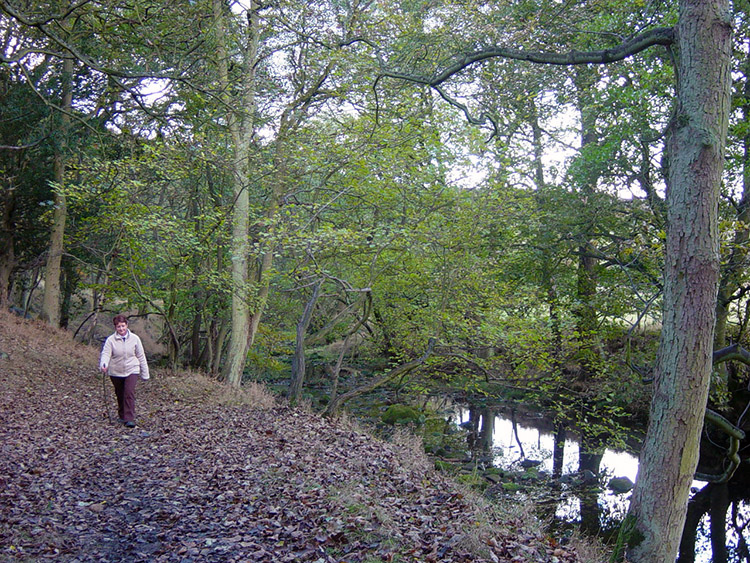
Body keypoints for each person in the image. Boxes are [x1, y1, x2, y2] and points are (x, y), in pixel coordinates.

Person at [99, 314, 150, 428]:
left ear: (127, 325)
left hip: (132, 368)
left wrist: (145, 373)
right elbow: (106, 353)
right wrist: (104, 364)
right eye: (118, 327)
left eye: (123, 326)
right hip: (116, 370)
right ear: (115, 328)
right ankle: (122, 414)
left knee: (129, 392)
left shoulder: (135, 339)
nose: (121, 329)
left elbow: (141, 356)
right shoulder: (110, 340)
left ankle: (129, 418)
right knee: (120, 393)